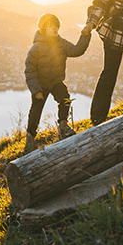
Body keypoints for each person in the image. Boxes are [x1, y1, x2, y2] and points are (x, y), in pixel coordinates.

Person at [23, 13, 92, 154]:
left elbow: (76, 50)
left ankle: (63, 126)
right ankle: (30, 136)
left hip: (55, 82)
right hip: (40, 84)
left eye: (56, 26)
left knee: (65, 99)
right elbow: (29, 71)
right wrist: (36, 90)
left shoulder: (61, 43)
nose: (55, 28)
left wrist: (85, 35)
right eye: (51, 26)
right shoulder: (36, 48)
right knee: (36, 110)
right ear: (43, 28)